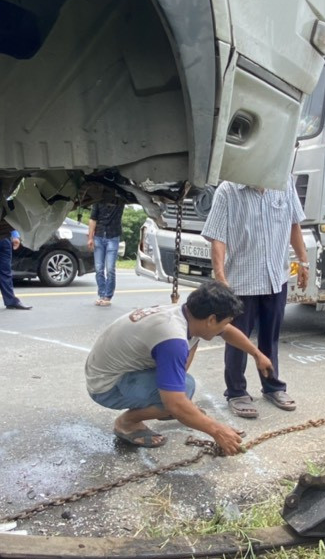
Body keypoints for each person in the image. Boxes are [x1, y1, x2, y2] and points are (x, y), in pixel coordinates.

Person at [85, 281, 272, 455]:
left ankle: (167, 409)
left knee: (182, 390)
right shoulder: (172, 340)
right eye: (224, 322)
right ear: (211, 320)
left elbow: (227, 332)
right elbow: (175, 402)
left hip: (109, 370)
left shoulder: (186, 314)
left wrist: (257, 354)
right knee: (184, 390)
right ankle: (127, 423)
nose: (226, 327)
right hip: (106, 387)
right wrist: (217, 430)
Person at [201, 178, 309, 418]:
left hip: (275, 278)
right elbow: (218, 238)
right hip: (241, 282)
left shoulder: (284, 182)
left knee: (270, 339)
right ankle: (237, 392)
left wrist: (303, 261)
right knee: (237, 340)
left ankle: (272, 387)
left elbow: (293, 225)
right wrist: (221, 278)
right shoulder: (228, 190)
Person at [87, 198, 124, 307]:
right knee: (99, 268)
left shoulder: (120, 201)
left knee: (110, 269)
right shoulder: (98, 201)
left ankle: (107, 296)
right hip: (99, 236)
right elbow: (92, 219)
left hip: (113, 236)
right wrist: (90, 238)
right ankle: (101, 295)